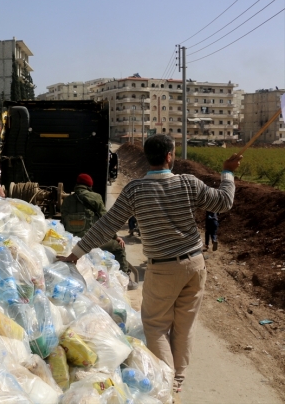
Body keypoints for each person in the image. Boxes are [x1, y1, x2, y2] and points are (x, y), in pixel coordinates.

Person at [61, 134, 242, 397]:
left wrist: (75, 254)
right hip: (194, 264)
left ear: (148, 157)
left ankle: (167, 382)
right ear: (170, 156)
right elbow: (224, 202)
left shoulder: (135, 190)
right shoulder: (188, 183)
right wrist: (227, 172)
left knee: (156, 325)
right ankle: (177, 379)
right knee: (184, 325)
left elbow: (106, 226)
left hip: (163, 267)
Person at [60, 173, 135, 289]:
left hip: (73, 242)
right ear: (89, 186)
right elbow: (107, 220)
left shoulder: (67, 200)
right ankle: (126, 279)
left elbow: (64, 221)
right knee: (119, 248)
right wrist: (116, 237)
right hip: (90, 241)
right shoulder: (95, 197)